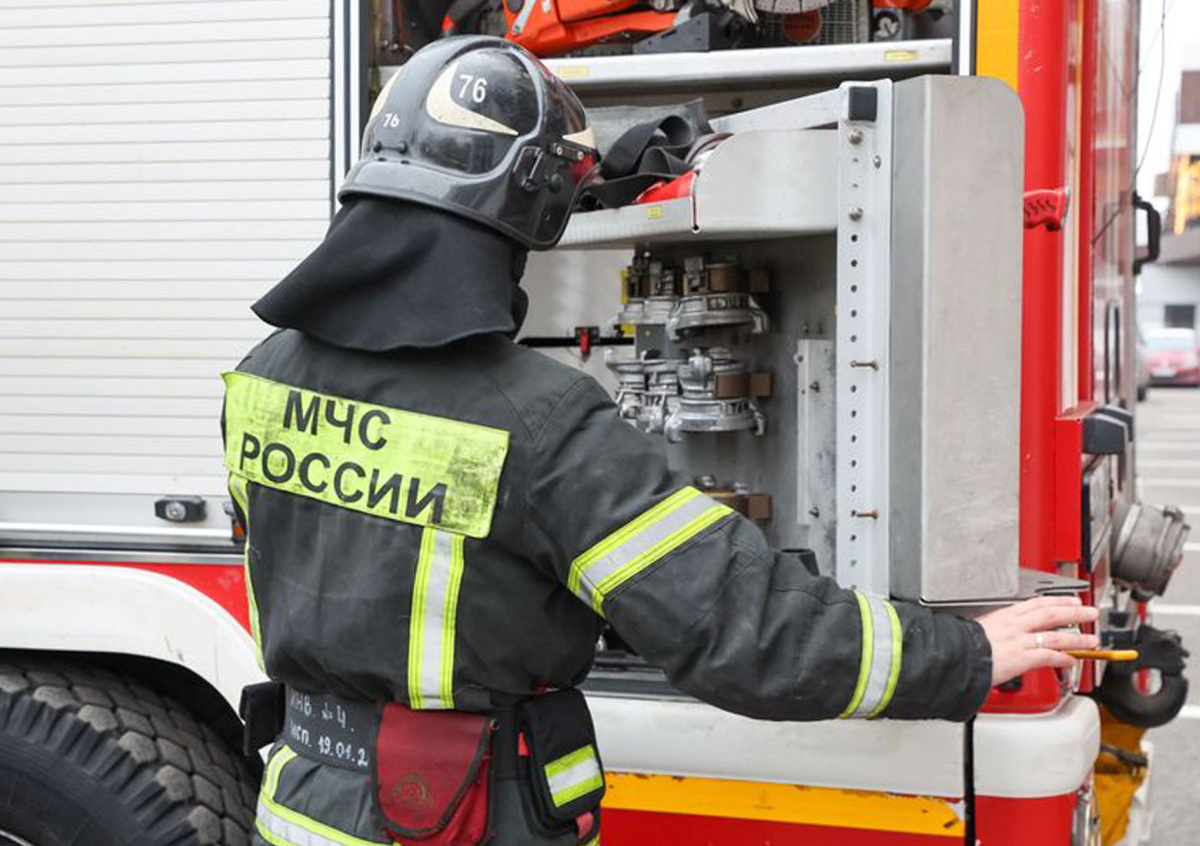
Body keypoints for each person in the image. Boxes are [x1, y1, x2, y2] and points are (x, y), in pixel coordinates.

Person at [223, 35, 1100, 846]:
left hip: (302, 807)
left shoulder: (262, 376)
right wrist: (964, 652)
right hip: (457, 820)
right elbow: (741, 632)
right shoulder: (538, 422)